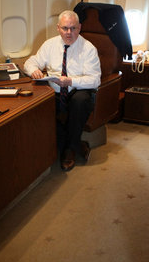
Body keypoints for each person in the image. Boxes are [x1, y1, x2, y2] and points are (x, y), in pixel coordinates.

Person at [24, 10, 101, 171]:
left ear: (79, 27)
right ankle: (76, 144)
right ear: (58, 28)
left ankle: (69, 150)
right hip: (55, 91)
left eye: (73, 28)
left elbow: (95, 79)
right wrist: (33, 71)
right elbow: (30, 62)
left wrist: (71, 81)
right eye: (65, 28)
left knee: (79, 102)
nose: (69, 33)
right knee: (38, 105)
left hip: (78, 91)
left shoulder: (88, 49)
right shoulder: (49, 45)